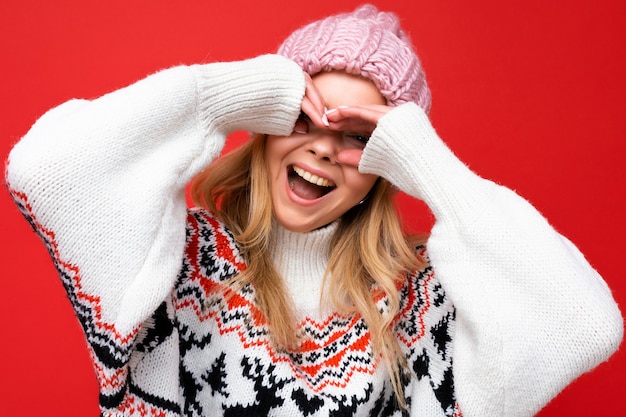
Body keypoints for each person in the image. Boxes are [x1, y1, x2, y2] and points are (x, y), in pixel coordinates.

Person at [5, 4, 623, 417]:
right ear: (266, 120)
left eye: (358, 136)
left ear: (387, 161)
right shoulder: (175, 265)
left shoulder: (413, 304)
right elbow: (44, 170)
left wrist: (430, 164)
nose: (324, 147)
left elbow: (581, 325)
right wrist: (220, 95)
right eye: (304, 115)